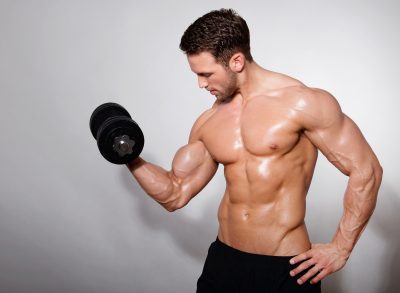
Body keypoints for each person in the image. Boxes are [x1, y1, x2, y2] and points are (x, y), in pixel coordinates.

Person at [126, 8, 383, 293]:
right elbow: (175, 193)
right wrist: (127, 155)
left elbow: (366, 169)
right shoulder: (209, 122)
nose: (201, 84)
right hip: (224, 262)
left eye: (206, 74)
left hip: (286, 267)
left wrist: (340, 248)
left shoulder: (302, 103)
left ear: (236, 61)